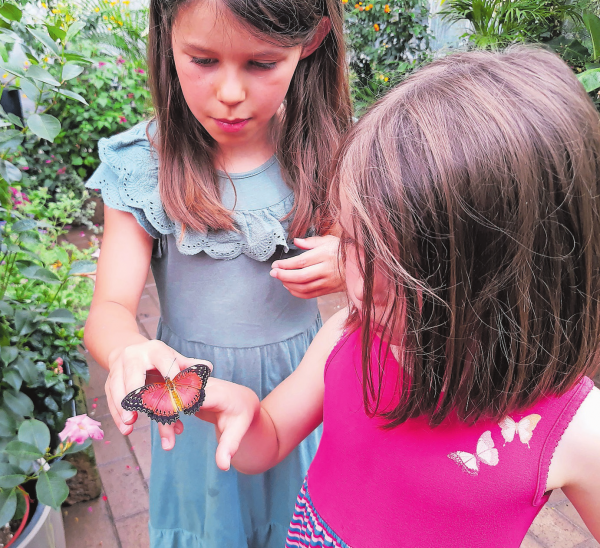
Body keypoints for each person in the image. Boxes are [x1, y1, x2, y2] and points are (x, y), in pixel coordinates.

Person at [192, 47, 600, 547]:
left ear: (510, 275)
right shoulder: (347, 338)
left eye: (402, 266)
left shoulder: (575, 429)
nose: (357, 284)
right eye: (352, 244)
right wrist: (239, 411)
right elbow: (266, 444)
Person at [83, 0, 352, 545]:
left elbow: (380, 259)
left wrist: (350, 259)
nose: (230, 92)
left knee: (299, 523)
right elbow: (109, 310)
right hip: (193, 397)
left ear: (313, 39)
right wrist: (128, 352)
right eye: (203, 59)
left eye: (261, 63)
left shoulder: (328, 152)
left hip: (299, 390)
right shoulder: (142, 165)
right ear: (166, 35)